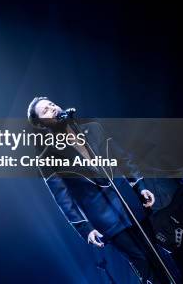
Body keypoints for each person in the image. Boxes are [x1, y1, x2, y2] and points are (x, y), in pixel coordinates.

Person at [27, 96, 168, 283]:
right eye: (45, 110)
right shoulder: (46, 156)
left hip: (128, 202)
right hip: (105, 217)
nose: (52, 108)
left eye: (52, 104)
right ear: (40, 124)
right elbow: (62, 197)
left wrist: (139, 186)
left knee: (154, 253)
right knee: (141, 260)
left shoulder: (92, 127)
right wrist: (84, 228)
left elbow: (121, 157)